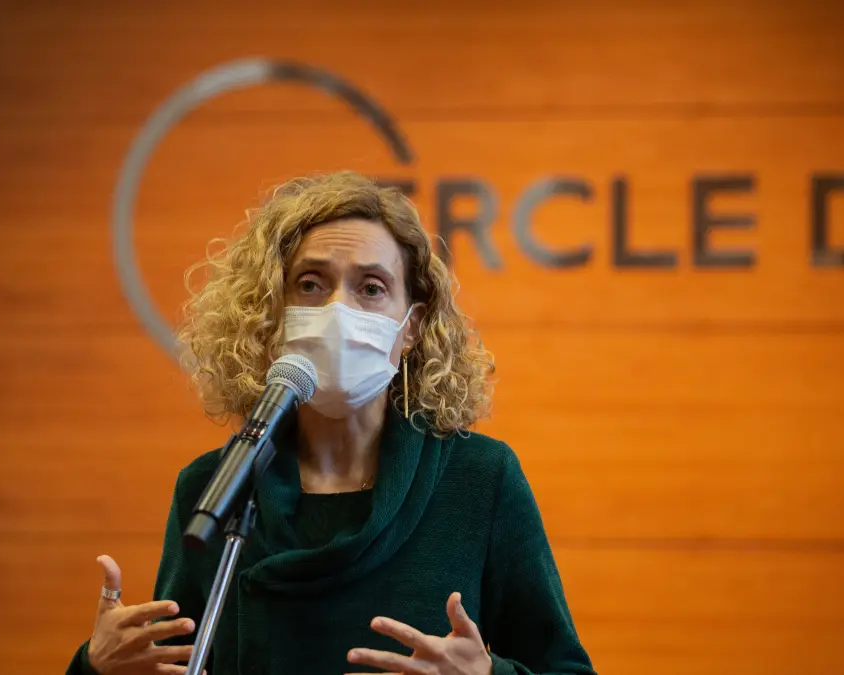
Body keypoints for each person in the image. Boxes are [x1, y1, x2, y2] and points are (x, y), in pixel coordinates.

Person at [65, 171, 595, 675]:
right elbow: (171, 661)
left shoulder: (480, 478)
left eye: (371, 288)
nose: (338, 309)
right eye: (311, 284)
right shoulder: (214, 487)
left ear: (410, 327)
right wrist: (97, 667)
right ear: (271, 313)